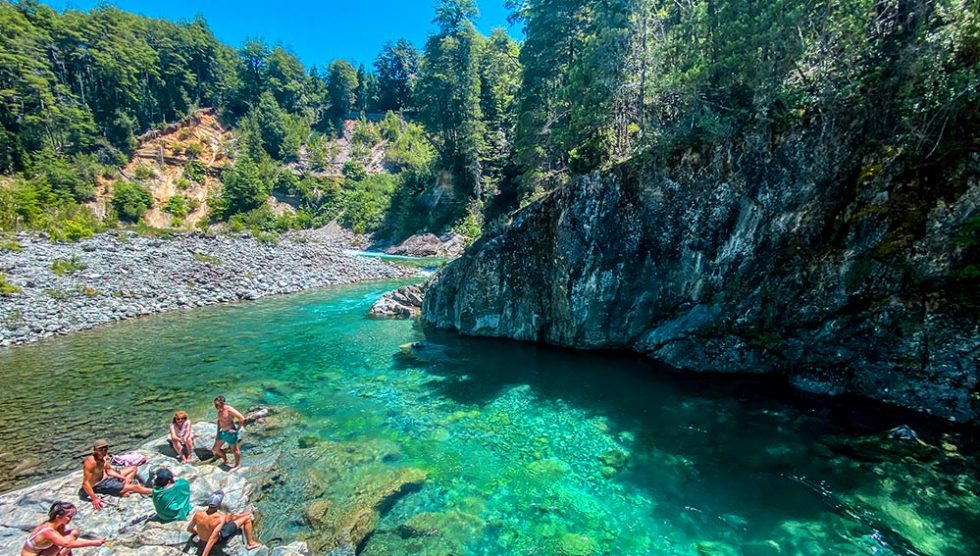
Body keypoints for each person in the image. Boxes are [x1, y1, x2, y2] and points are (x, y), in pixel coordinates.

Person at [81, 439, 151, 511]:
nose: (103, 451)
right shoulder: (91, 462)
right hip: (100, 484)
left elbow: (109, 470)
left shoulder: (104, 457)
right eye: (100, 450)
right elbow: (85, 483)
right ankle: (158, 492)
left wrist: (123, 478)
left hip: (107, 476)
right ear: (95, 450)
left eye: (105, 449)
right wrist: (94, 499)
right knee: (135, 487)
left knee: (133, 468)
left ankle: (124, 487)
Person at [187, 491, 262, 556]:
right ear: (219, 505)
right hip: (217, 540)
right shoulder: (220, 518)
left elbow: (189, 529)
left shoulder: (198, 514)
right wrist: (205, 554)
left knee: (230, 518)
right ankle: (250, 543)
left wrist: (199, 533)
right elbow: (212, 538)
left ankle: (245, 515)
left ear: (208, 503)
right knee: (247, 519)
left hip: (202, 539)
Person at [21, 501, 105, 555]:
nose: (71, 518)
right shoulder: (48, 531)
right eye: (69, 516)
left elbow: (68, 544)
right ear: (58, 516)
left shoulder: (59, 525)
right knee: (68, 540)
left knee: (73, 533)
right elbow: (67, 544)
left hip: (43, 552)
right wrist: (94, 543)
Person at [211, 396, 245, 470]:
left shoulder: (229, 409)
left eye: (217, 405)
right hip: (222, 432)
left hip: (230, 433)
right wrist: (218, 432)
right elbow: (219, 421)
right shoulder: (219, 410)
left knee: (235, 450)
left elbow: (241, 418)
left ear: (222, 403)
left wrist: (237, 430)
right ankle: (226, 460)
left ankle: (237, 465)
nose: (216, 406)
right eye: (215, 405)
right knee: (215, 449)